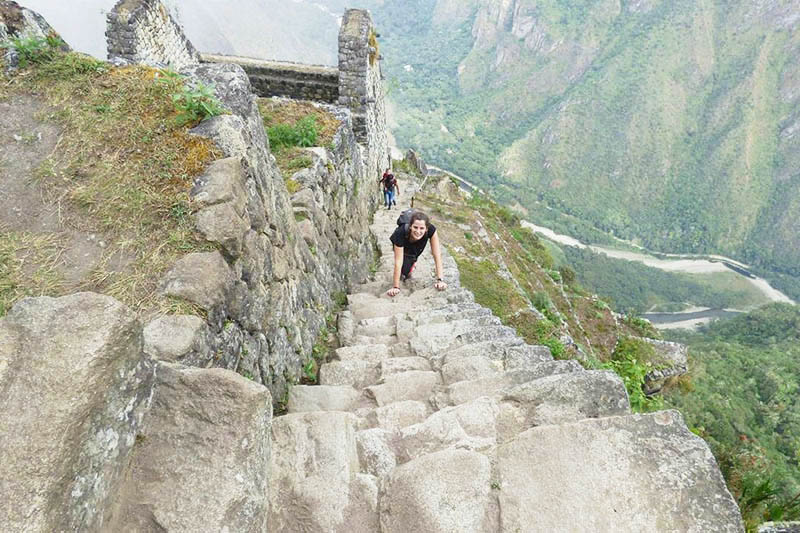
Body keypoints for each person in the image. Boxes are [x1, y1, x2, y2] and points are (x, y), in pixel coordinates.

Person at [386, 210, 447, 297]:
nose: (418, 231)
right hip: (404, 240)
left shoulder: (432, 230)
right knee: (403, 267)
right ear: (410, 226)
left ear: (426, 228)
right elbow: (398, 261)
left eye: (422, 228)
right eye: (415, 227)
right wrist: (396, 287)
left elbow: (437, 255)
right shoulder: (400, 232)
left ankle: (410, 266)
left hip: (419, 243)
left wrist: (440, 280)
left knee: (411, 260)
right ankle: (405, 271)